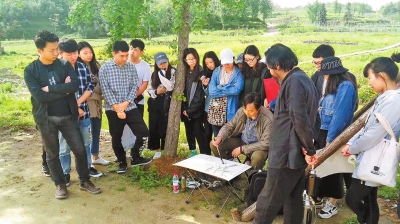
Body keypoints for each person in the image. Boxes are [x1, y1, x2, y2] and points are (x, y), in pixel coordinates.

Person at [24, 30, 101, 199]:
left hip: (68, 116)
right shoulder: (31, 70)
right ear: (39, 51)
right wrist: (63, 90)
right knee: (53, 153)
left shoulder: (65, 65)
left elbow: (73, 86)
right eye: (51, 50)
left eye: (57, 49)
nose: (56, 53)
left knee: (80, 149)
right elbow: (40, 96)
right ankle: (60, 184)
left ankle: (84, 181)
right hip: (46, 119)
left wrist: (52, 88)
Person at [253, 43, 318, 223]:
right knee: (292, 199)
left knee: (267, 202)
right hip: (294, 153)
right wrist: (308, 147)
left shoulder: (294, 81)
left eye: (269, 67)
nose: (269, 71)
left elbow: (300, 119)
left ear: (278, 66)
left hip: (286, 154)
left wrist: (310, 149)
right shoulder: (303, 78)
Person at [342, 53, 400, 224]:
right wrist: (352, 143)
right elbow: (369, 127)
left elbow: (374, 133)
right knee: (369, 199)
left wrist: (353, 147)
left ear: (382, 76)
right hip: (371, 154)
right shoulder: (386, 97)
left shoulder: (393, 100)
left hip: (375, 155)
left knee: (352, 199)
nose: (369, 83)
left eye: (370, 78)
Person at [310, 44, 357, 206]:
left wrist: (331, 139)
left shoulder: (346, 86)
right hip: (321, 131)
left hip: (334, 134)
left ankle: (333, 202)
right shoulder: (330, 84)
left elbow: (340, 116)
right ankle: (320, 196)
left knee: (334, 168)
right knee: (322, 167)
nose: (322, 76)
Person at [99, 40, 151, 174]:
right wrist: (117, 108)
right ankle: (122, 161)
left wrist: (126, 103)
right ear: (113, 54)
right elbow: (105, 90)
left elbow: (134, 86)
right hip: (112, 108)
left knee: (144, 133)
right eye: (121, 55)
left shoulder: (131, 67)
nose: (124, 58)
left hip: (130, 106)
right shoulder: (105, 69)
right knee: (116, 137)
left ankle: (135, 157)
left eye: (126, 55)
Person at [58, 38, 102, 185]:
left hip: (84, 112)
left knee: (85, 143)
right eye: (69, 54)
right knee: (64, 146)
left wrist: (78, 103)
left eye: (75, 53)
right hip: (64, 115)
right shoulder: (56, 70)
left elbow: (90, 87)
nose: (73, 56)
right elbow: (57, 93)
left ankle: (88, 167)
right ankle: (65, 173)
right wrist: (73, 107)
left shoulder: (82, 67)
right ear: (61, 53)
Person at [211, 92, 272, 170]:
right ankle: (229, 169)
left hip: (258, 146)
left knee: (257, 158)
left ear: (259, 109)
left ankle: (252, 177)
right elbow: (230, 126)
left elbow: (266, 143)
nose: (247, 113)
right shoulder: (242, 111)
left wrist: (242, 149)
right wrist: (220, 136)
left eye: (251, 111)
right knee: (215, 145)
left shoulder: (268, 118)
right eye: (245, 110)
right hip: (242, 141)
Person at [78, 41, 110, 166]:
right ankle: (85, 161)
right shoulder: (78, 67)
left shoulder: (96, 65)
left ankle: (95, 156)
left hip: (96, 102)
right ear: (79, 54)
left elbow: (102, 83)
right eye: (85, 53)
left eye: (90, 52)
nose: (89, 55)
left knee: (96, 131)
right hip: (85, 103)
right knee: (85, 133)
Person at [208, 48, 244, 136]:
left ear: (233, 59)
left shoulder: (238, 73)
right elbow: (212, 91)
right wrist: (229, 88)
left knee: (230, 136)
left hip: (231, 110)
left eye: (228, 62)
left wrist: (220, 87)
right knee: (217, 137)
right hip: (217, 111)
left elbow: (236, 90)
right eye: (224, 63)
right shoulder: (217, 71)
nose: (226, 65)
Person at [181, 48, 209, 155]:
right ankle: (192, 151)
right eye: (189, 59)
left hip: (197, 110)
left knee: (199, 132)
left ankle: (204, 154)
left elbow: (200, 96)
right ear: (185, 60)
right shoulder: (184, 72)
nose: (192, 61)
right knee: (189, 131)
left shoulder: (201, 73)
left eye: (194, 58)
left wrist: (190, 110)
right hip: (185, 108)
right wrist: (184, 109)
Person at [147, 52, 176, 150]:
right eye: (160, 63)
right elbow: (149, 90)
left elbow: (171, 87)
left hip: (168, 102)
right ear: (156, 64)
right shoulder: (153, 74)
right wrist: (157, 92)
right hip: (155, 102)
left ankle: (165, 148)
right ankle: (156, 149)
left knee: (165, 127)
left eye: (165, 62)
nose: (163, 65)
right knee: (154, 126)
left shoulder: (173, 72)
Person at [200, 51, 221, 151]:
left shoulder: (222, 71)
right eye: (207, 63)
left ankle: (220, 154)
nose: (209, 65)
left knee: (218, 134)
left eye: (211, 62)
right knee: (207, 133)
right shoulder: (206, 74)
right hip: (209, 108)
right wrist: (205, 86)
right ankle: (206, 154)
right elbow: (208, 94)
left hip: (220, 107)